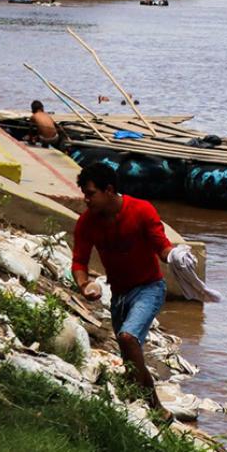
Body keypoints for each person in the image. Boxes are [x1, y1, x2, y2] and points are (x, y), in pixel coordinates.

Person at [71, 163, 176, 416]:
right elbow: (79, 262)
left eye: (90, 193)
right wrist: (85, 285)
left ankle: (157, 408)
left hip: (149, 287)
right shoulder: (87, 222)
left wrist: (176, 255)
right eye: (84, 194)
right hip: (119, 295)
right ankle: (133, 411)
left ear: (109, 190)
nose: (86, 200)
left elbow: (162, 247)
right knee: (130, 363)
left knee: (128, 337)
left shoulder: (141, 210)